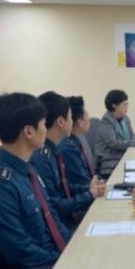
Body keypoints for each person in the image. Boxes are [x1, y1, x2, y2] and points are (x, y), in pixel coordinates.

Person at [0, 92, 70, 269]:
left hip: (55, 258)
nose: (46, 129)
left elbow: (51, 214)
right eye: (43, 123)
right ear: (29, 131)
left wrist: (73, 245)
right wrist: (66, 260)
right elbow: (21, 252)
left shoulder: (27, 168)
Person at [30, 92, 105, 230]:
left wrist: (88, 188)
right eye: (70, 117)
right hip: (64, 223)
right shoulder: (41, 158)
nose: (73, 121)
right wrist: (89, 194)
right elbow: (55, 206)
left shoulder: (53, 150)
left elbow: (63, 185)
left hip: (68, 216)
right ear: (60, 122)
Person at [95, 89, 135, 178]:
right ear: (114, 106)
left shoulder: (125, 118)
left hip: (123, 157)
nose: (127, 107)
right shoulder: (106, 121)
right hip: (110, 163)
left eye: (127, 104)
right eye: (124, 104)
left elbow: (132, 136)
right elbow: (113, 143)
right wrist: (134, 142)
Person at [59, 96, 98, 188]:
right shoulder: (67, 147)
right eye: (87, 116)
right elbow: (82, 181)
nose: (89, 119)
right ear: (79, 123)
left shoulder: (77, 139)